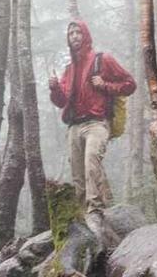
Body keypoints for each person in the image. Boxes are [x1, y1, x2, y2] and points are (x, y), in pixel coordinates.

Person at [47, 18, 136, 231]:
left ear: (85, 35)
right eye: (71, 34)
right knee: (77, 173)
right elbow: (62, 102)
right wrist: (55, 89)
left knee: (91, 162)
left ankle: (95, 210)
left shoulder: (101, 59)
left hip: (97, 123)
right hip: (74, 126)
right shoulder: (69, 69)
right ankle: (82, 217)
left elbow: (130, 84)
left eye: (78, 32)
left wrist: (105, 85)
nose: (75, 36)